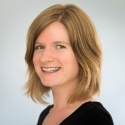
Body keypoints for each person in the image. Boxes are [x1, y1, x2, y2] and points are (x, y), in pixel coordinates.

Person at [24, 4, 114, 125]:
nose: (44, 58)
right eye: (39, 47)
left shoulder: (94, 119)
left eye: (60, 46)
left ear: (83, 54)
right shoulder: (46, 114)